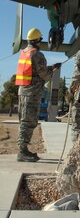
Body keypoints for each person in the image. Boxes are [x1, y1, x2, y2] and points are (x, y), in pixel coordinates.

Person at [15, 28, 61, 162]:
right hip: (32, 93)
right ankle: (22, 152)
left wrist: (51, 67)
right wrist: (52, 72)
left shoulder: (24, 52)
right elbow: (44, 75)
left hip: (23, 91)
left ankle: (23, 150)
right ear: (38, 40)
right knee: (28, 122)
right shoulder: (37, 54)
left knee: (25, 121)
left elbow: (34, 70)